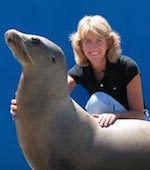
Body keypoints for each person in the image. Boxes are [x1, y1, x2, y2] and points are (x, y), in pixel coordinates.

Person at [10, 15, 149, 127]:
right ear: (80, 45)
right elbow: (54, 96)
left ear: (109, 43)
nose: (93, 47)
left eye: (99, 40)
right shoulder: (81, 70)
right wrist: (25, 105)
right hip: (110, 132)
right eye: (88, 41)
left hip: (138, 127)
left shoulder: (127, 66)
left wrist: (115, 115)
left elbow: (139, 114)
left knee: (96, 102)